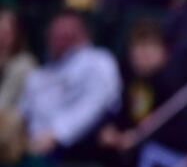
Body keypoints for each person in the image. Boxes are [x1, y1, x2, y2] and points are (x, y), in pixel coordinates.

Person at [18, 11, 121, 157]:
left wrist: (56, 133)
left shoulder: (98, 61)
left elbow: (94, 105)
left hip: (72, 149)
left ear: (84, 34)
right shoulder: (38, 75)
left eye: (68, 35)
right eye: (56, 35)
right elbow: (21, 114)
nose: (61, 40)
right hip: (29, 147)